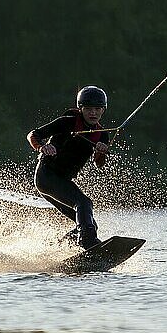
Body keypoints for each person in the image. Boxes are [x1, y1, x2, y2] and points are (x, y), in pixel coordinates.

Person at [27, 86, 110, 249]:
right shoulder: (67, 122)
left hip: (63, 181)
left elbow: (98, 164)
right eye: (88, 109)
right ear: (81, 109)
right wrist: (42, 147)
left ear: (103, 110)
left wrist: (101, 153)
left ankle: (57, 249)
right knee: (84, 204)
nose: (93, 113)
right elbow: (33, 134)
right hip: (46, 176)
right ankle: (87, 242)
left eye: (97, 109)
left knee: (88, 222)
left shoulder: (103, 134)